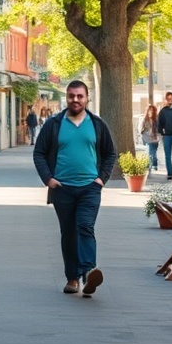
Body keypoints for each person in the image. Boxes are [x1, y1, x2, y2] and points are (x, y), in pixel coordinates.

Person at [32, 80, 117, 297]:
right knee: (68, 232)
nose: (75, 100)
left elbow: (110, 154)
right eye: (71, 96)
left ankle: (89, 272)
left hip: (90, 188)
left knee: (85, 227)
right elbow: (39, 153)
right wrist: (48, 179)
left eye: (80, 96)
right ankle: (72, 277)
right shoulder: (54, 124)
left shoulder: (97, 124)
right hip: (62, 189)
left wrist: (101, 179)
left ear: (87, 98)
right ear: (67, 98)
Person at [140, 104, 160, 171]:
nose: (150, 111)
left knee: (153, 153)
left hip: (154, 139)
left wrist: (158, 137)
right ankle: (150, 166)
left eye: (152, 110)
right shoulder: (145, 119)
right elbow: (141, 128)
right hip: (146, 138)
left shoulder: (156, 120)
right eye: (149, 110)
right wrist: (143, 135)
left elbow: (158, 130)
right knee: (149, 152)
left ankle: (154, 164)